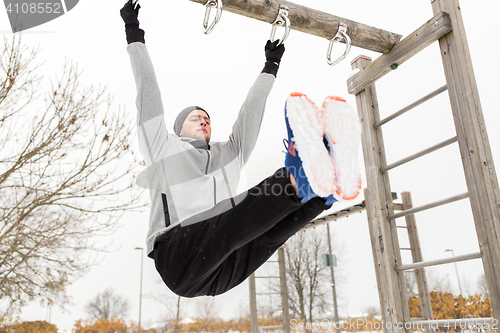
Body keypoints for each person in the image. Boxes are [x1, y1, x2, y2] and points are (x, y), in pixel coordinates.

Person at [120, 0, 346, 298]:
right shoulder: (162, 147)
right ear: (178, 130)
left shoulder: (230, 154)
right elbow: (147, 89)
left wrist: (271, 66)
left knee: (269, 234)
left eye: (207, 119)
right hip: (178, 258)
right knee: (240, 217)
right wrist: (133, 32)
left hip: (221, 269)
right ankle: (300, 174)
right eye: (194, 118)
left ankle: (320, 196)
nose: (203, 121)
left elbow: (250, 114)